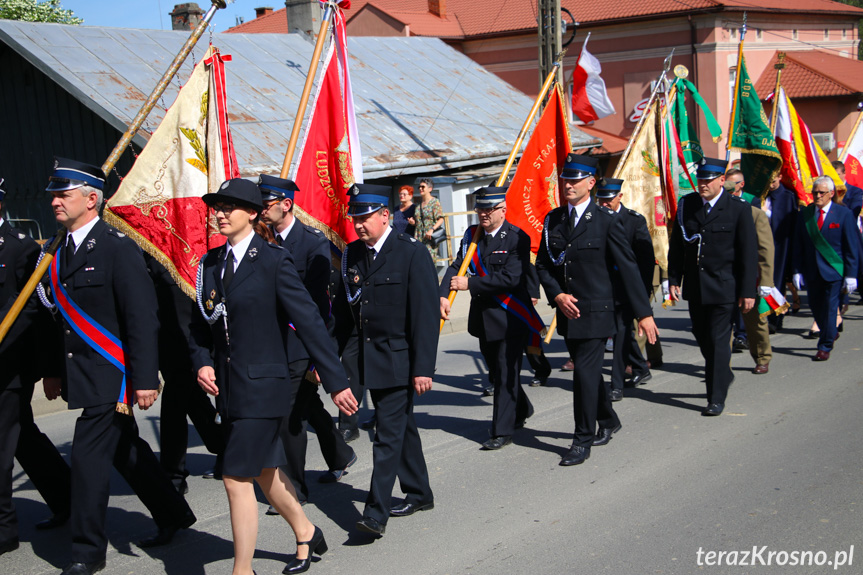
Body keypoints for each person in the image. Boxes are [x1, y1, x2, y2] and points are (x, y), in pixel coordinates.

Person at [189, 178, 357, 575]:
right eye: (218, 206)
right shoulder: (210, 265)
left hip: (266, 387)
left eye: (231, 206)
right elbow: (198, 327)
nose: (222, 213)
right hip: (229, 389)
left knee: (234, 476)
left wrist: (336, 381)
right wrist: (201, 361)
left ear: (252, 213)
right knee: (266, 473)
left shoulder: (273, 260)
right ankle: (305, 529)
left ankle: (241, 569)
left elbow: (310, 323)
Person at [38, 158, 195, 575]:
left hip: (113, 375)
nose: (54, 201)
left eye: (63, 194)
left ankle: (86, 552)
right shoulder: (56, 250)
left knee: (88, 464)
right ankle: (173, 512)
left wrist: (145, 378)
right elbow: (60, 323)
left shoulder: (117, 247)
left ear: (92, 200)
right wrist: (54, 370)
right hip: (82, 374)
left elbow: (142, 318)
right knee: (126, 452)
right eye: (53, 194)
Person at [536, 154, 658, 467]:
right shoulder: (553, 220)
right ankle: (608, 418)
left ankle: (582, 439)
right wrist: (557, 294)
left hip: (598, 313)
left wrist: (643, 314)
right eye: (567, 179)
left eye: (576, 180)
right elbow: (544, 265)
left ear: (591, 183)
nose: (569, 185)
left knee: (584, 376)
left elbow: (629, 269)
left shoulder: (607, 221)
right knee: (588, 375)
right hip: (568, 313)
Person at [335, 183, 438, 536]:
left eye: (365, 218)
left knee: (386, 436)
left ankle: (375, 513)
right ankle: (420, 491)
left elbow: (425, 316)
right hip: (367, 360)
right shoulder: (352, 255)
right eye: (355, 219)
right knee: (401, 428)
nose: (359, 225)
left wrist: (423, 367)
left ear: (384, 215)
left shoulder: (411, 253)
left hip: (398, 362)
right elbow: (345, 316)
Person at [257, 174, 357, 510]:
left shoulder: (312, 243)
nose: (260, 208)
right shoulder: (261, 239)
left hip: (299, 343)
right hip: (271, 341)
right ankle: (341, 454)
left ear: (286, 205)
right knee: (306, 405)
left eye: (266, 202)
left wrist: (319, 356)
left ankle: (293, 490)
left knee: (288, 417)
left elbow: (318, 308)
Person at [0, 180, 72, 557]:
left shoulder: (20, 249)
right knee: (22, 437)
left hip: (8, 367)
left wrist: (50, 369)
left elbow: (39, 315)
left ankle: (3, 531)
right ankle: (67, 496)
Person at [440, 187, 536, 450]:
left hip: (509, 317)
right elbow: (457, 264)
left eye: (489, 209)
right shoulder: (473, 236)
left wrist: (470, 284)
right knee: (499, 371)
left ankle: (501, 430)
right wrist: (443, 294)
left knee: (504, 374)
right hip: (483, 320)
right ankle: (522, 407)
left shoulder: (517, 238)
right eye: (479, 209)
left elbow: (511, 278)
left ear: (503, 210)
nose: (483, 214)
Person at [667, 157, 757, 416]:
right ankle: (722, 372)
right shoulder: (688, 205)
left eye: (708, 180)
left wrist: (748, 290)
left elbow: (748, 253)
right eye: (700, 179)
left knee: (718, 341)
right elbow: (678, 246)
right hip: (696, 287)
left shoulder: (738, 208)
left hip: (724, 287)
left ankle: (715, 397)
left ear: (721, 181)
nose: (703, 184)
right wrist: (674, 278)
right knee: (702, 336)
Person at [148, 253, 224, 496]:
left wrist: (196, 354)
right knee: (188, 397)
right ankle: (224, 446)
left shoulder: (174, 244)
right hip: (164, 338)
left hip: (185, 340)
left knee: (174, 403)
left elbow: (184, 302)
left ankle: (173, 475)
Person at [594, 178, 655, 401]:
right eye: (600, 198)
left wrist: (642, 293)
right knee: (619, 334)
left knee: (620, 336)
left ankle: (616, 384)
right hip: (600, 289)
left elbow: (645, 261)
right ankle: (640, 367)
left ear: (620, 196)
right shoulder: (594, 219)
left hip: (625, 289)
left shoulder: (634, 221)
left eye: (608, 199)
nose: (604, 203)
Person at [792, 176, 858, 361]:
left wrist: (851, 274)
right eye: (815, 193)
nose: (818, 196)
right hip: (812, 271)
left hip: (834, 271)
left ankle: (824, 345)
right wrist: (796, 270)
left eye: (821, 193)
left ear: (831, 194)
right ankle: (830, 331)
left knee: (830, 308)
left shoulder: (843, 214)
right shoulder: (805, 214)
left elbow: (851, 246)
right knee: (816, 307)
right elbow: (798, 245)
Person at [727, 172, 775, 374]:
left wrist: (766, 280)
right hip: (726, 277)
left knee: (755, 322)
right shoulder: (717, 213)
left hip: (750, 278)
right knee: (723, 324)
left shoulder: (755, 214)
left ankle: (762, 357)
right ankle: (722, 365)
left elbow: (765, 249)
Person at [753, 174, 798, 332]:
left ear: (780, 177)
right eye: (768, 182)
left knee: (776, 282)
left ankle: (775, 318)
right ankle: (760, 316)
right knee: (759, 281)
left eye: (773, 181)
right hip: (759, 244)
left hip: (779, 246)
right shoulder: (759, 195)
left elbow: (789, 223)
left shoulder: (787, 197)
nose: (771, 185)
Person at [414, 178, 444, 259]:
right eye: (419, 187)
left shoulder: (434, 202)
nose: (420, 189)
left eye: (423, 187)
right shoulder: (418, 204)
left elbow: (441, 219)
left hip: (429, 239)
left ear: (430, 189)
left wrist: (432, 229)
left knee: (429, 262)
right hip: (419, 237)